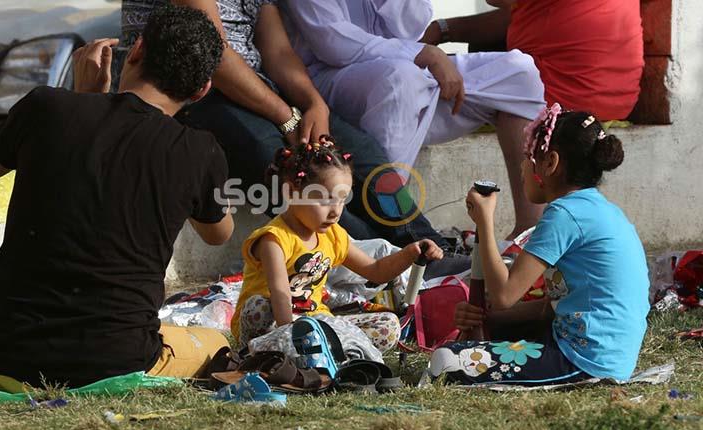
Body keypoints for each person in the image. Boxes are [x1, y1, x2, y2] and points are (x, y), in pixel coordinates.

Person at [0, 5, 234, 391]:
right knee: (218, 342)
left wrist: (82, 98)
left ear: (137, 50)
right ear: (202, 90)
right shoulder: (199, 151)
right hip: (119, 361)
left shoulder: (47, 106)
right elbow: (219, 233)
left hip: (1, 357)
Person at [117, 0, 465, 258]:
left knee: (361, 154)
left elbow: (278, 50)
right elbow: (213, 55)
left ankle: (426, 247)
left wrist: (314, 103)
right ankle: (379, 262)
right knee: (280, 164)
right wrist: (287, 116)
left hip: (258, 91)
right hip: (193, 94)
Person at [422, 105, 649, 385]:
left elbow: (505, 294)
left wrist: (485, 222)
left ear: (550, 163)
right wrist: (486, 319)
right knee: (479, 343)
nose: (522, 167)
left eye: (529, 158)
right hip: (604, 354)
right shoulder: (600, 210)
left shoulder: (564, 214)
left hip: (583, 359)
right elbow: (549, 309)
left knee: (447, 358)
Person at [281, 0, 546, 239]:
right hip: (330, 81)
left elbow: (413, 28)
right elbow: (333, 43)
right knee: (400, 78)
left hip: (410, 71)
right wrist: (422, 54)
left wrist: (420, 53)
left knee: (521, 73)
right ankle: (388, 228)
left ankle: (528, 233)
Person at [232, 137, 443, 356]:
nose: (336, 211)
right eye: (325, 200)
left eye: (342, 200)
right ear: (292, 192)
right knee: (260, 306)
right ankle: (265, 351)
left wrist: (410, 252)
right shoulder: (274, 239)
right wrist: (290, 337)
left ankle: (321, 347)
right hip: (274, 322)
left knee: (388, 325)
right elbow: (280, 293)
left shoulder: (333, 236)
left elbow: (376, 272)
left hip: (313, 322)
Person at [424, 0, 643, 120]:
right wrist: (444, 29)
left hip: (556, 100)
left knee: (415, 79)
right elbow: (520, 13)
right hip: (616, 102)